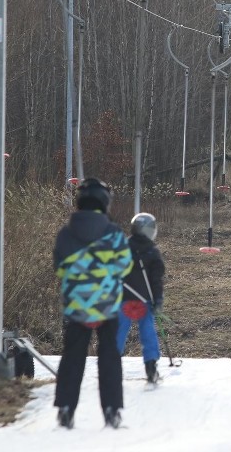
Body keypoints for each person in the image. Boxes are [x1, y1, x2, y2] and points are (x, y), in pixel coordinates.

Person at [53, 178, 133, 430]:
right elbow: (125, 266)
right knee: (109, 355)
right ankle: (111, 410)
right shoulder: (114, 233)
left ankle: (66, 409)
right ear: (104, 202)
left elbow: (60, 269)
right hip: (107, 305)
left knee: (73, 355)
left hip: (77, 306)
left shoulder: (66, 234)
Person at [116, 212, 165, 385]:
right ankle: (151, 367)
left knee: (119, 331)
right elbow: (156, 280)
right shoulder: (152, 252)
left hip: (124, 299)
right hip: (144, 300)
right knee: (147, 331)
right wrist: (158, 300)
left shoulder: (123, 247)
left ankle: (112, 365)